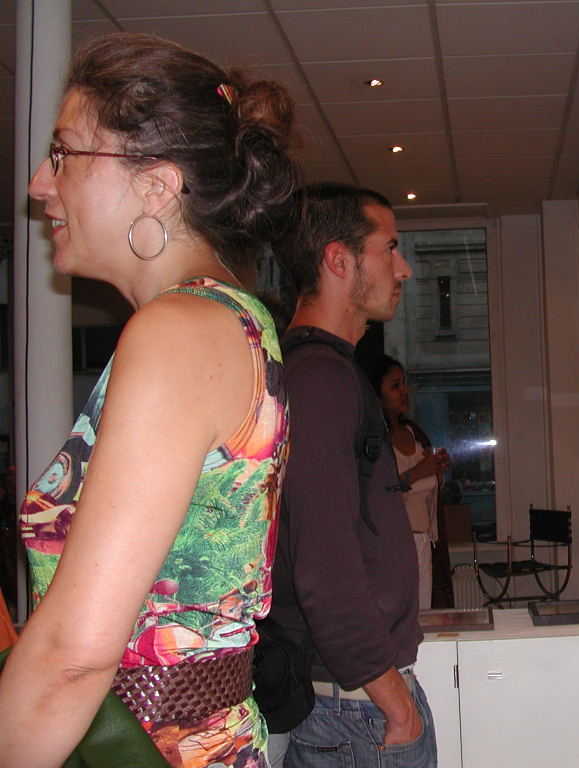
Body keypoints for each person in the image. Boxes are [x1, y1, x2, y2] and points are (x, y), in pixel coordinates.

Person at [0, 33, 296, 767]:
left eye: (63, 154)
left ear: (157, 186)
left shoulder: (178, 331)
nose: (39, 183)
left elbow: (74, 656)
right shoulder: (230, 319)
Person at [264, 183, 437, 767]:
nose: (403, 269)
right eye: (389, 249)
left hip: (356, 702)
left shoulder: (325, 372)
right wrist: (396, 706)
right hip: (356, 708)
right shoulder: (320, 379)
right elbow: (324, 564)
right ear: (339, 260)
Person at [363, 355, 451, 608]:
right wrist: (420, 471)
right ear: (376, 394)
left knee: (423, 616)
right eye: (395, 385)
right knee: (397, 616)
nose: (404, 391)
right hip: (391, 545)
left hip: (423, 541)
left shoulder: (415, 434)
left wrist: (438, 471)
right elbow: (376, 492)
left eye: (403, 383)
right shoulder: (372, 441)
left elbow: (426, 492)